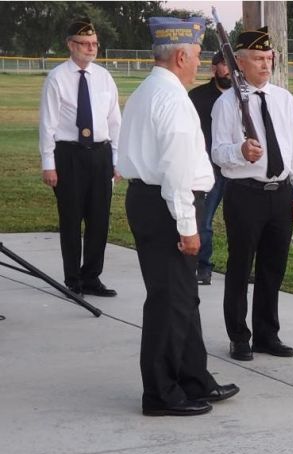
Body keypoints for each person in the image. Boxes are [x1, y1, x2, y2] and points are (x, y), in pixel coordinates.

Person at [117, 16, 239, 416]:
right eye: (199, 54)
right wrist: (188, 227)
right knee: (170, 302)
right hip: (169, 205)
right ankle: (160, 393)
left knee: (183, 298)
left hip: (150, 201)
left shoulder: (146, 91)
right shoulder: (172, 99)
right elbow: (175, 172)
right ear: (181, 55)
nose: (201, 61)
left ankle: (193, 378)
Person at [211, 27, 293, 362]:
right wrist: (240, 151)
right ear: (239, 62)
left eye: (268, 58)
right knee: (240, 266)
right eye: (257, 58)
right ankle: (239, 336)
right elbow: (217, 153)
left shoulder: (284, 99)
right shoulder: (227, 103)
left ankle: (267, 334)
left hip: (279, 194)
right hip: (245, 194)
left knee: (273, 268)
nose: (265, 65)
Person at [38, 17, 120, 297]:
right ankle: (73, 280)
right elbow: (47, 125)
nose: (91, 48)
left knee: (99, 220)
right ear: (70, 45)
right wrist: (48, 163)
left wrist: (116, 159)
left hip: (100, 153)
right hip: (69, 155)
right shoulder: (57, 78)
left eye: (94, 43)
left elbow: (114, 120)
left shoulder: (104, 77)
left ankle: (92, 277)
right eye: (84, 44)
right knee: (72, 219)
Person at [189, 51, 231, 285]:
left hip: (237, 169)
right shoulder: (197, 97)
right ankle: (203, 267)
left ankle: (241, 268)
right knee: (203, 221)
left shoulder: (243, 96)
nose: (229, 70)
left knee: (242, 222)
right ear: (214, 68)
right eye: (224, 64)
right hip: (209, 170)